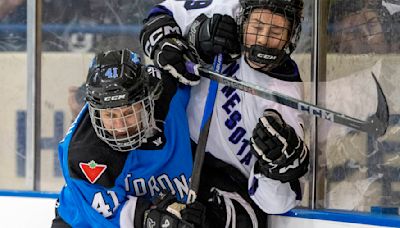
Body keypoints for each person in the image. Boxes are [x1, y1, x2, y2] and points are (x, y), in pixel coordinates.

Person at [140, 0, 310, 227]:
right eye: (256, 28)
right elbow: (158, 16)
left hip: (226, 186)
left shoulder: (285, 95)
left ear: (292, 35)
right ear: (244, 16)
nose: (262, 40)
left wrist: (275, 168)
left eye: (276, 32)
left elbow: (275, 204)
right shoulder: (224, 10)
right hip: (175, 149)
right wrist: (191, 38)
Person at [51, 49, 207, 228]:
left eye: (128, 113)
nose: (120, 127)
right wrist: (152, 218)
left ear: (147, 100)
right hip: (82, 221)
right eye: (110, 115)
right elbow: (114, 218)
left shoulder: (169, 94)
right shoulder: (83, 153)